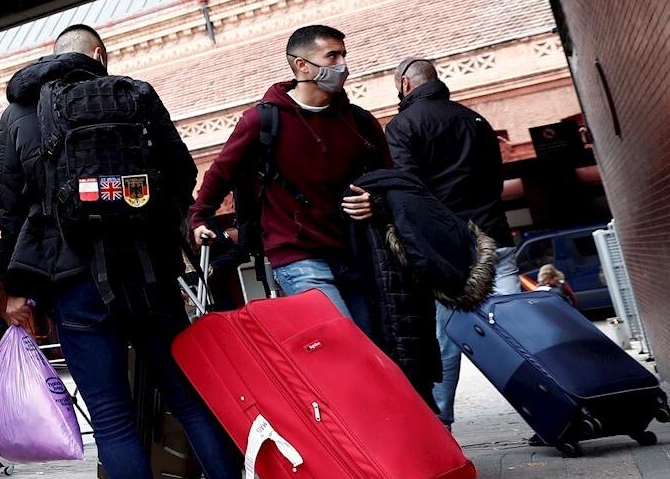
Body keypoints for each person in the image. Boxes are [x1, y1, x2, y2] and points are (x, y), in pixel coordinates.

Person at [0, 24, 262, 479]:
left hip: (74, 287)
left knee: (113, 418)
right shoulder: (134, 95)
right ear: (99, 55)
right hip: (148, 275)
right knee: (189, 401)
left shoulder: (17, 115)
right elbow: (182, 174)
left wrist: (20, 288)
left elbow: (11, 210)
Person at [189, 24, 389, 337]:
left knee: (375, 344)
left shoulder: (359, 121)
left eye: (343, 55)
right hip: (296, 254)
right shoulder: (262, 120)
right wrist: (199, 218)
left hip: (354, 251)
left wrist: (375, 201)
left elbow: (389, 180)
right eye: (332, 56)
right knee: (345, 343)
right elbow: (221, 171)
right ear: (301, 64)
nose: (342, 66)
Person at [386, 58, 520, 429]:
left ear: (406, 86)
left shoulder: (402, 126)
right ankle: (551, 405)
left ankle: (438, 424)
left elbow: (410, 191)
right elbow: (496, 176)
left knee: (446, 340)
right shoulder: (475, 120)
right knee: (518, 330)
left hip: (451, 250)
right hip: (496, 238)